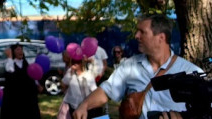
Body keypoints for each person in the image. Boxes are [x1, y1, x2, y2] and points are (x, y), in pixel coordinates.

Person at [73, 14, 203, 119]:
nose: (136, 36)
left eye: (142, 32)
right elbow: (106, 91)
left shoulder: (191, 72)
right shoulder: (129, 66)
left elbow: (209, 112)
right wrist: (84, 105)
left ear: (161, 38)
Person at [0, 43, 41, 119]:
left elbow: (31, 76)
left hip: (27, 97)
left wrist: (37, 85)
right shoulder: (10, 63)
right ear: (13, 52)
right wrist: (9, 57)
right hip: (15, 97)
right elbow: (10, 71)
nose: (20, 51)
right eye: (18, 49)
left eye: (21, 49)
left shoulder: (25, 63)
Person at [59, 52, 98, 119]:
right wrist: (70, 75)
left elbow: (94, 91)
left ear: (81, 63)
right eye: (73, 61)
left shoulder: (88, 75)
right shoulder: (70, 72)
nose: (74, 63)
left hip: (86, 106)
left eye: (77, 61)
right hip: (73, 105)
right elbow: (63, 84)